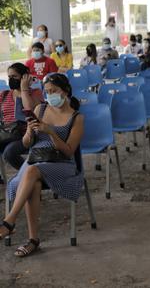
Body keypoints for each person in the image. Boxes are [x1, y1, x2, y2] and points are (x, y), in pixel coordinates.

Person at [1, 74, 84, 257]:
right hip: (36, 159)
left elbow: (69, 151)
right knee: (33, 181)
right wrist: (30, 132)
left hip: (61, 163)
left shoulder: (76, 117)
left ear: (65, 91)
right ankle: (33, 240)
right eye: (47, 92)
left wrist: (51, 132)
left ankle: (9, 221)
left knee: (32, 170)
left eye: (54, 91)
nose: (50, 95)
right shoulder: (40, 109)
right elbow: (26, 144)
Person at [0, 64, 44, 178]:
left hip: (27, 134)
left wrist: (24, 88)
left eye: (14, 76)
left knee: (9, 153)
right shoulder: (4, 94)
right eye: (9, 77)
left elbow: (29, 108)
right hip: (7, 133)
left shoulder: (35, 92)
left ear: (24, 76)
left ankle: (35, 175)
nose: (11, 80)